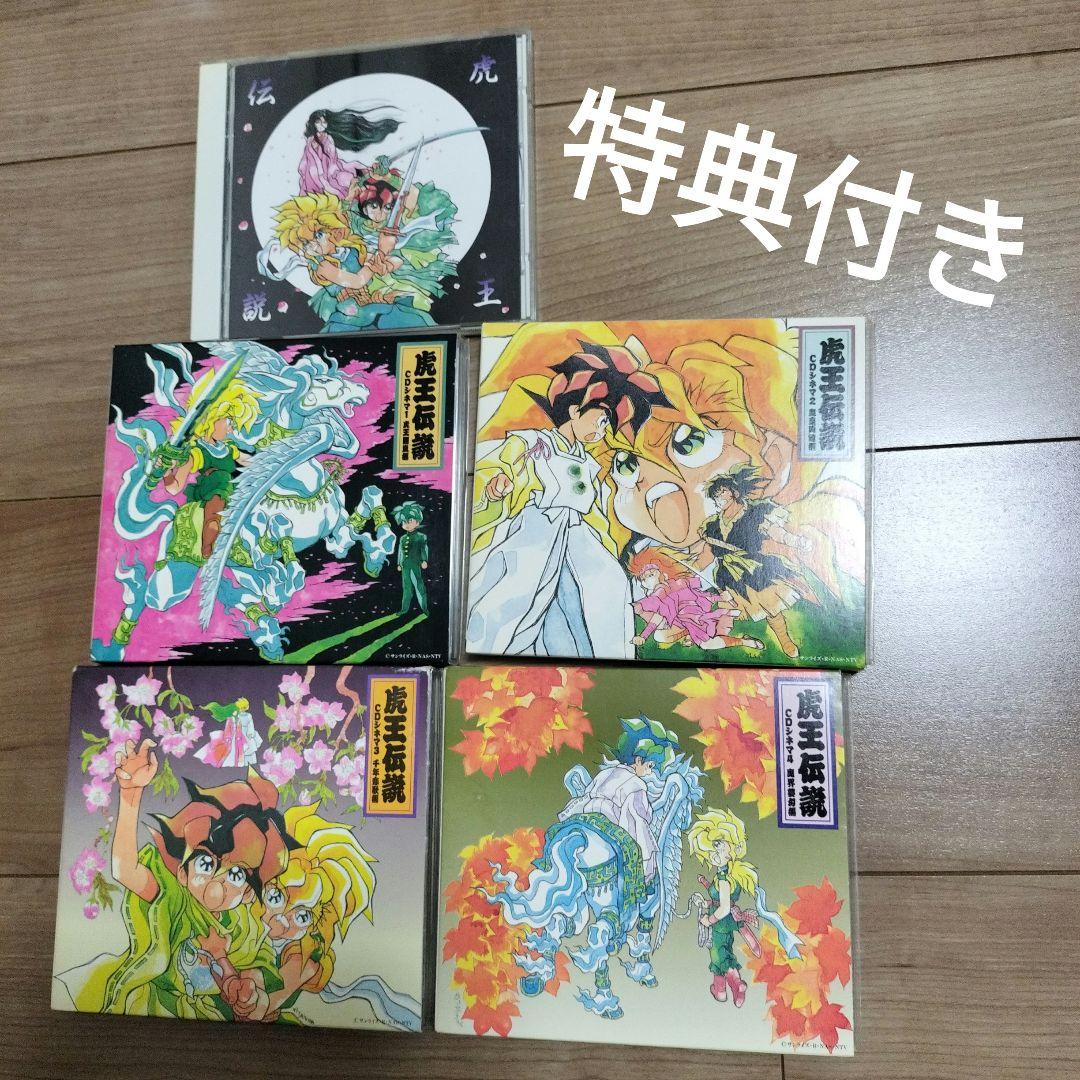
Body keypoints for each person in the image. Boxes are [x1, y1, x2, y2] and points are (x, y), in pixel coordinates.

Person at [58, 741, 295, 1021]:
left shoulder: (246, 926)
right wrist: (131, 794)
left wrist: (250, 991)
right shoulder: (174, 896)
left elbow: (262, 967)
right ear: (183, 872)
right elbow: (126, 871)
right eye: (206, 864)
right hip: (151, 1007)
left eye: (235, 874)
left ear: (247, 893)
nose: (217, 882)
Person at [468, 339, 670, 658]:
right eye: (599, 421)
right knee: (515, 596)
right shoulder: (534, 444)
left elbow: (595, 515)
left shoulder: (588, 463)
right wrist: (495, 489)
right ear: (575, 410)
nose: (602, 432)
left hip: (576, 538)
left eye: (606, 425)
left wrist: (607, 547)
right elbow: (496, 471)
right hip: (534, 533)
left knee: (607, 584)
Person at [627, 548, 763, 653]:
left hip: (696, 617)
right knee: (659, 636)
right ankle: (689, 633)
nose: (647, 579)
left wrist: (722, 597)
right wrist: (643, 636)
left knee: (707, 644)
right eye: (643, 578)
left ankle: (743, 641)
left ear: (663, 574)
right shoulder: (656, 596)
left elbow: (702, 595)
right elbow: (657, 615)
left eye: (651, 574)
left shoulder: (678, 585)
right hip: (680, 622)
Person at [298, 108, 399, 199]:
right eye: (318, 122)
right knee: (347, 180)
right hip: (318, 175)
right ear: (313, 123)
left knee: (356, 166)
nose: (322, 125)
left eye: (324, 122)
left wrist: (339, 168)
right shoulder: (312, 142)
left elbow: (333, 160)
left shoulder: (328, 138)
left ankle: (383, 184)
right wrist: (325, 181)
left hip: (333, 169)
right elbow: (311, 165)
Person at [391, 501, 429, 616]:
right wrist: (399, 563)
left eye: (410, 521)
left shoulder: (421, 537)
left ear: (417, 522)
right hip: (405, 566)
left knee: (419, 586)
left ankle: (424, 608)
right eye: (404, 522)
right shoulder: (403, 538)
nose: (407, 524)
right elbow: (400, 552)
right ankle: (404, 609)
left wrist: (424, 560)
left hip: (416, 564)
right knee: (407, 588)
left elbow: (424, 549)